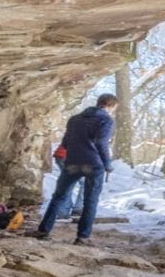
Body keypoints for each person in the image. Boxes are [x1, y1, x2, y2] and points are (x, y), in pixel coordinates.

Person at [34, 93, 118, 244]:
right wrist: (107, 164)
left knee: (58, 197)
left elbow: (65, 143)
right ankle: (82, 237)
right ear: (111, 106)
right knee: (90, 201)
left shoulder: (75, 119)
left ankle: (43, 230)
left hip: (72, 162)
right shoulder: (106, 119)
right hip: (93, 164)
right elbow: (101, 143)